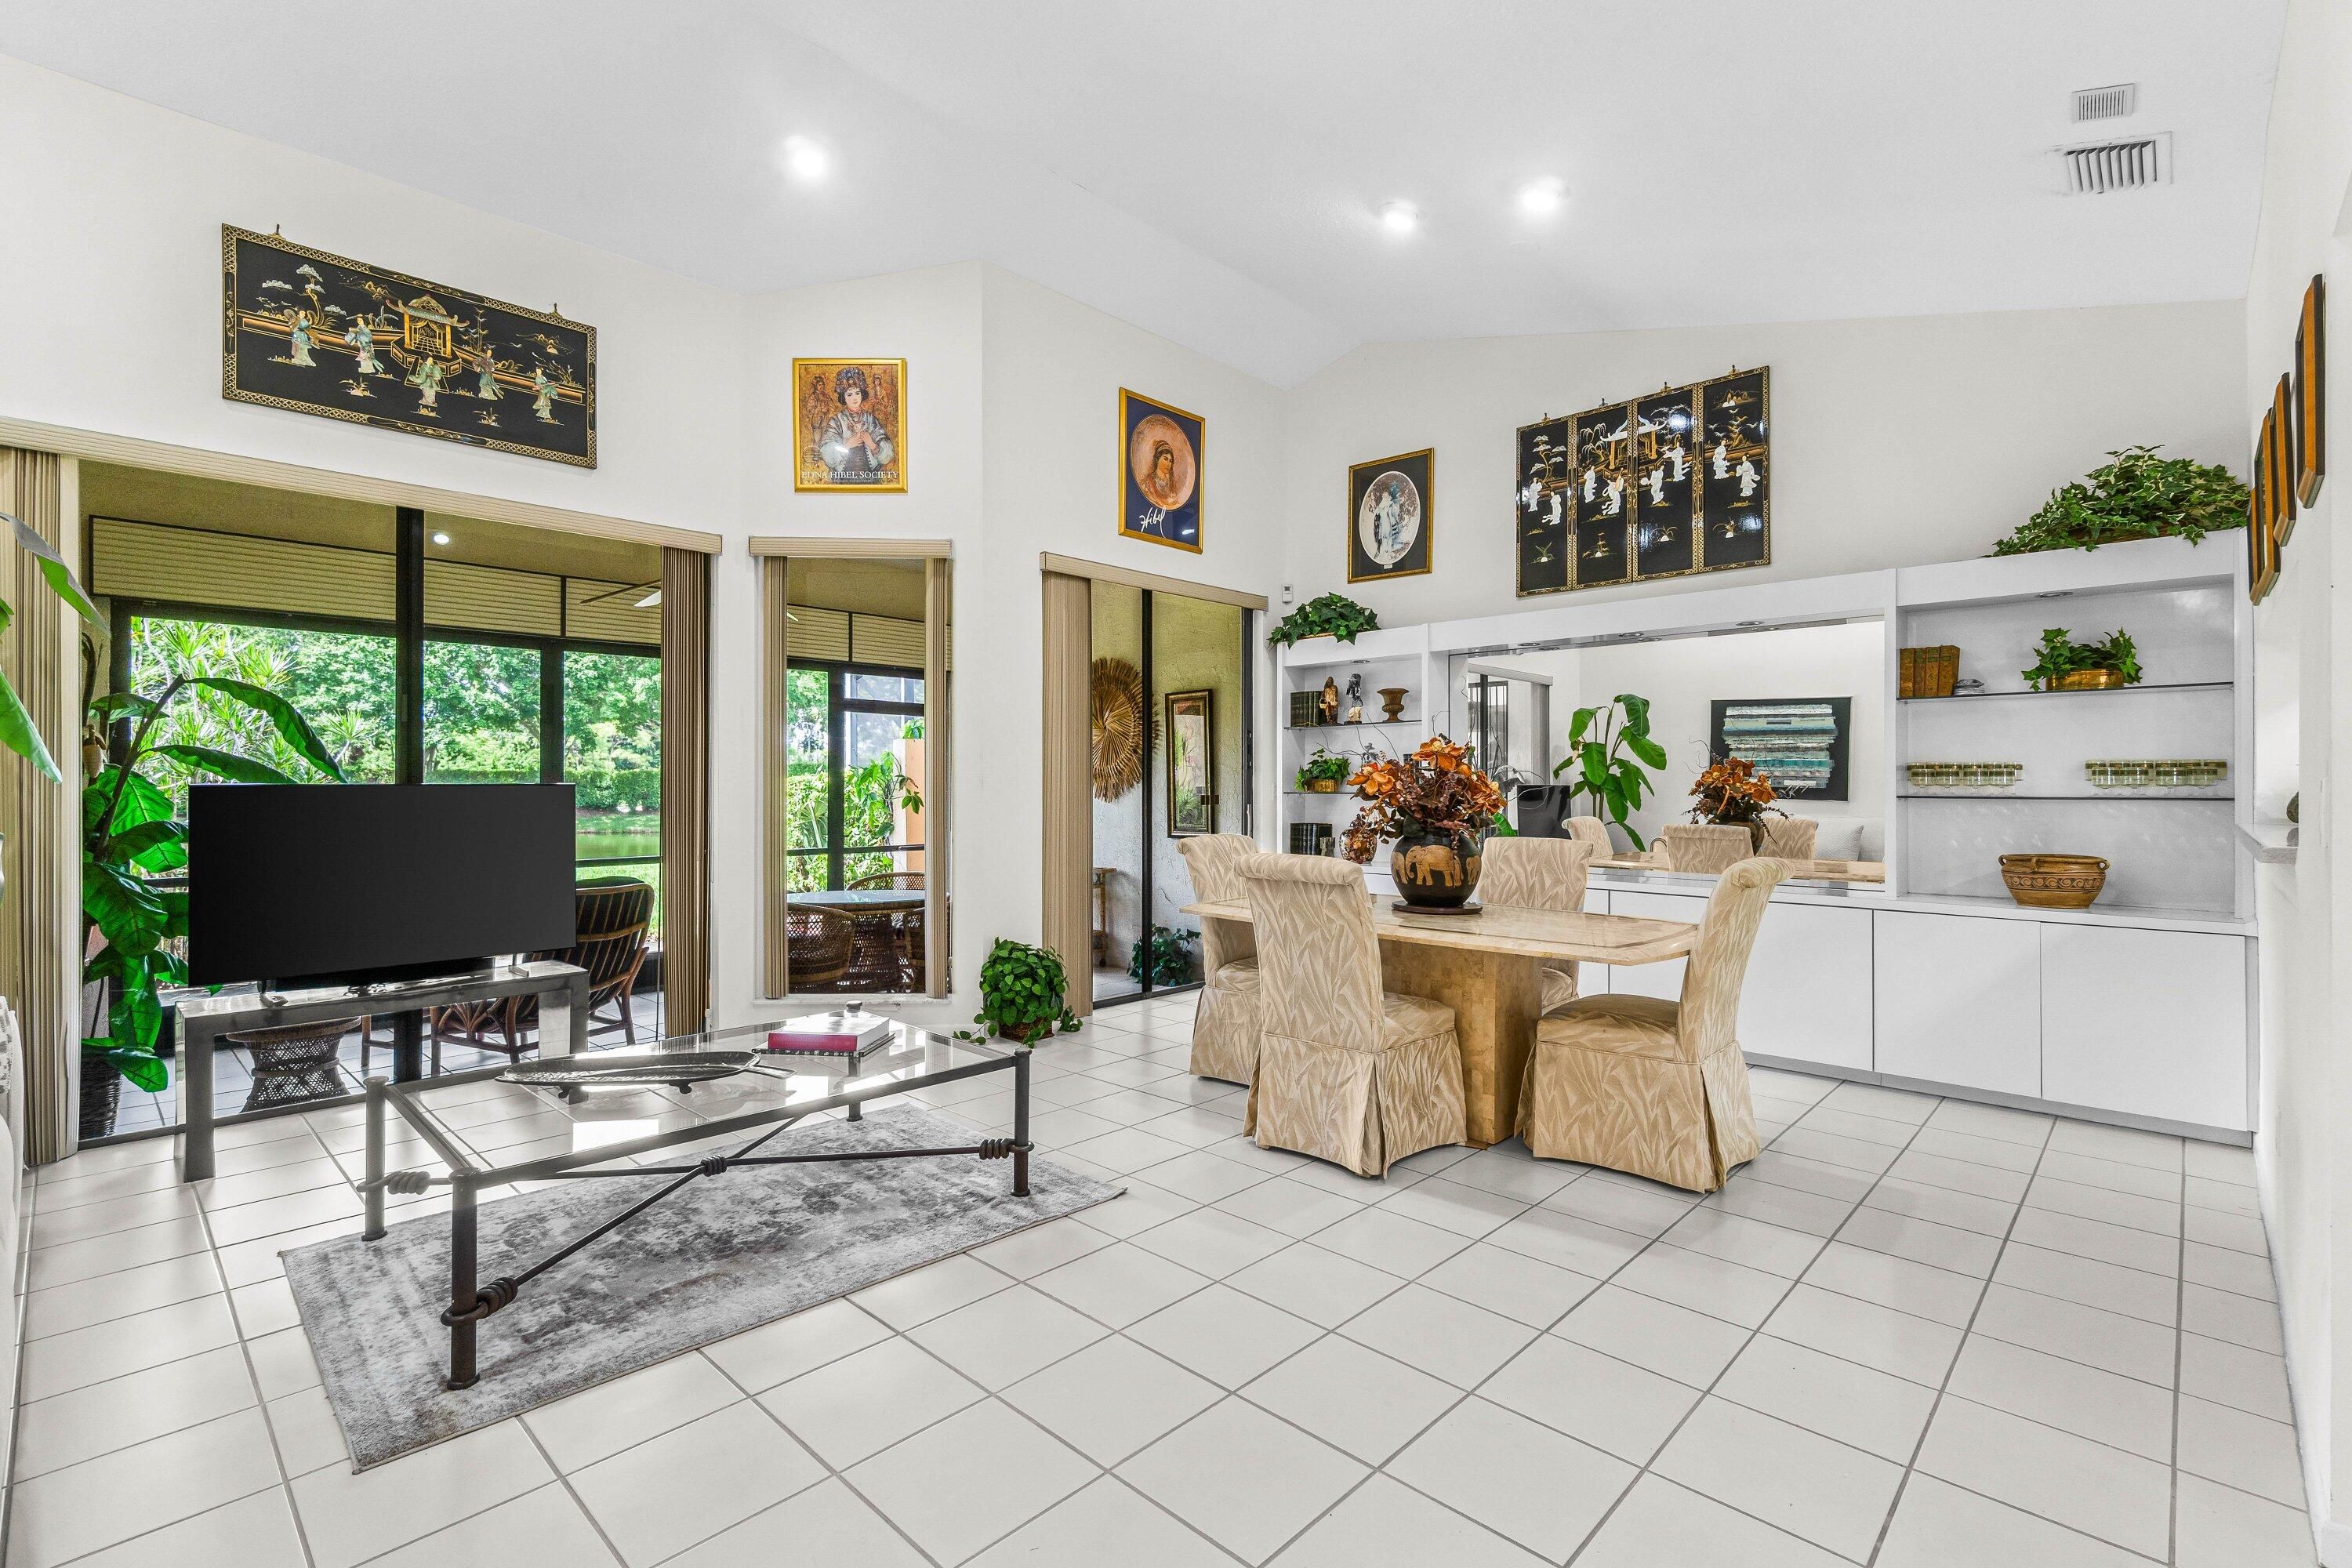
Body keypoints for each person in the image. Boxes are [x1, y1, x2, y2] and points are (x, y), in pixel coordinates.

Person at [818, 365, 895, 481]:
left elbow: (888, 453)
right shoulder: (837, 421)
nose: (855, 398)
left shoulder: (870, 419)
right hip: (843, 478)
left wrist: (873, 445)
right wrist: (847, 446)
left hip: (870, 477)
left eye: (857, 393)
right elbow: (827, 452)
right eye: (849, 395)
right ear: (843, 397)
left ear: (862, 394)